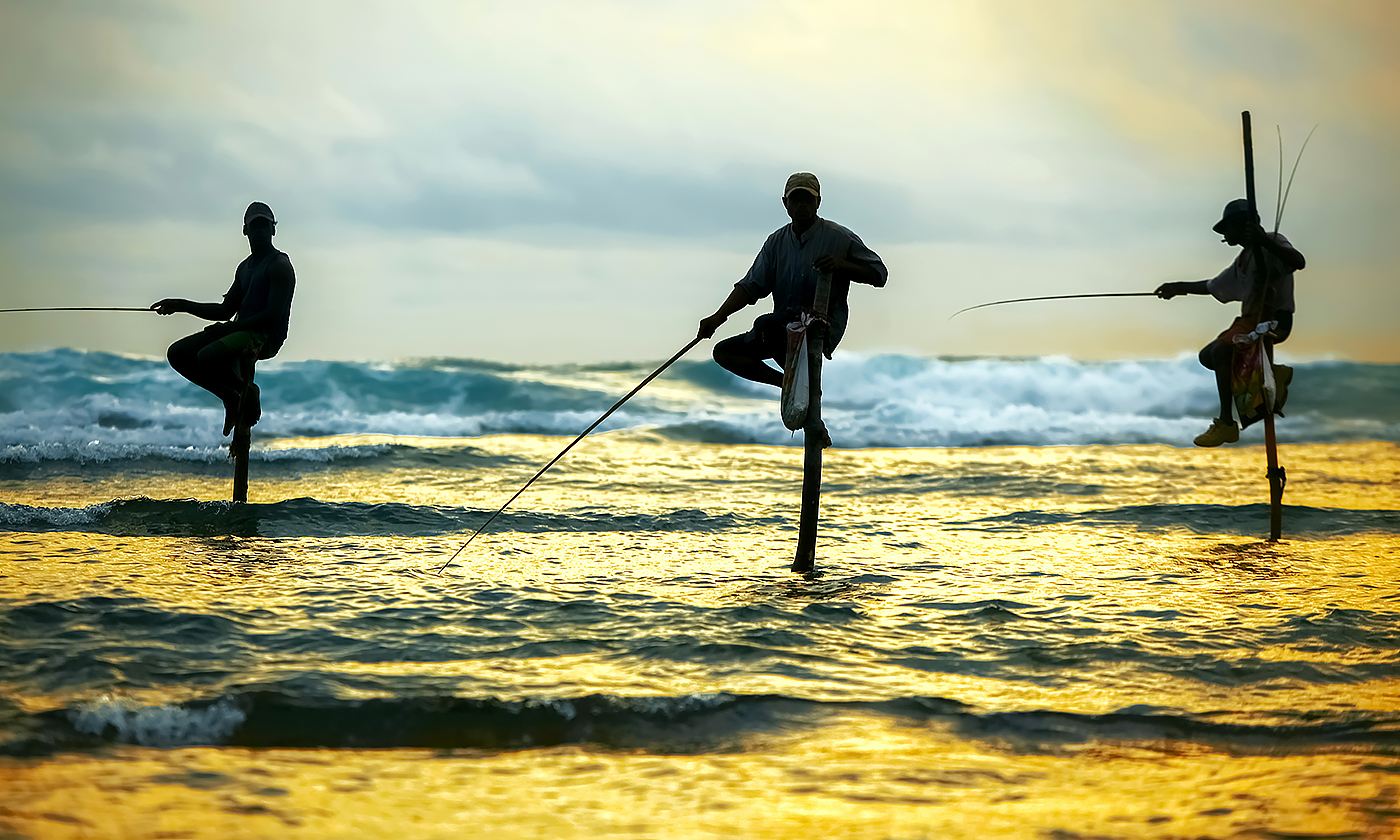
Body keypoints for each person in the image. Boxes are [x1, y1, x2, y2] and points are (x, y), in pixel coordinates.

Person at [697, 173, 887, 445]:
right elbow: (751, 286)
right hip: (781, 330)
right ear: (785, 204)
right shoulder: (776, 242)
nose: (801, 205)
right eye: (795, 199)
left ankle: (801, 388)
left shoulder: (838, 237)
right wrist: (718, 317)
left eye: (807, 199)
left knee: (766, 325)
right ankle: (788, 384)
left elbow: (879, 274)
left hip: (820, 327)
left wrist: (842, 264)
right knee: (725, 352)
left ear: (818, 202)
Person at [1155, 199, 1304, 447]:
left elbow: (1298, 262)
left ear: (1243, 226)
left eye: (1227, 228)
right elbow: (1215, 285)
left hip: (1273, 320)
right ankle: (1267, 376)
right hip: (1250, 321)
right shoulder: (1244, 259)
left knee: (1222, 349)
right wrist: (1178, 287)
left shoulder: (1272, 241)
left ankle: (1226, 423)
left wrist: (1263, 240)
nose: (1224, 234)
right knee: (1208, 356)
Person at [151, 202, 296, 436]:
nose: (259, 230)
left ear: (273, 230)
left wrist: (227, 330)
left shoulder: (279, 265)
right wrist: (181, 305)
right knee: (177, 354)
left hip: (265, 336)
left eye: (264, 225)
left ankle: (247, 390)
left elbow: (271, 317)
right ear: (245, 230)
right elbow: (225, 311)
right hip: (240, 330)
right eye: (254, 226)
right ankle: (230, 396)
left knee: (207, 357)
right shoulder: (244, 268)